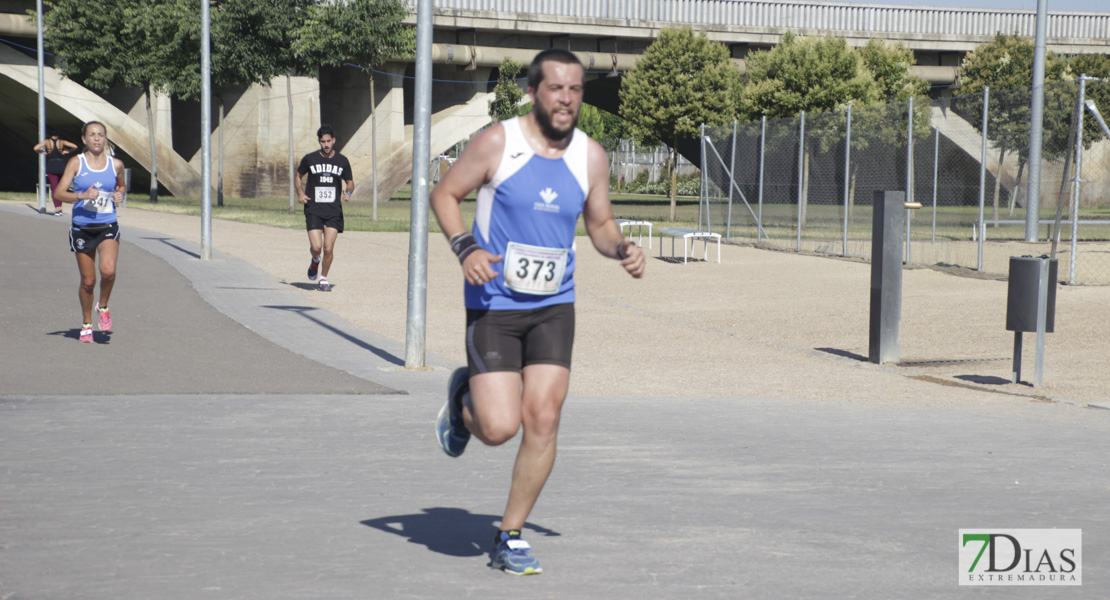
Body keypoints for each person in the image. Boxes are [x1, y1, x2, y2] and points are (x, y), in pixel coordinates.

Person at [429, 48, 645, 575]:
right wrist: (465, 248)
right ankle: (464, 400)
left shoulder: (590, 156)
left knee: (543, 418)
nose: (567, 98)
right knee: (500, 428)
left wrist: (620, 248)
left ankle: (510, 534)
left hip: (554, 304)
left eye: (575, 89)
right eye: (556, 88)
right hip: (495, 304)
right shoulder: (499, 142)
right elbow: (445, 194)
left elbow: (599, 222)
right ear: (533, 91)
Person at [52, 121, 125, 343]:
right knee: (88, 281)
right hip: (82, 228)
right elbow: (59, 193)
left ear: (105, 139)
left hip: (107, 225)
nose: (96, 138)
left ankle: (102, 306)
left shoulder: (116, 164)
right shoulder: (76, 162)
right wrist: (82, 196)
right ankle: (86, 323)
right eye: (92, 135)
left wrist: (120, 194)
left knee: (109, 271)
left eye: (100, 135)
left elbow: (121, 186)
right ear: (84, 139)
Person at [295, 125, 353, 292]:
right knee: (317, 248)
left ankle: (323, 278)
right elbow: (298, 175)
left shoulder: (342, 161)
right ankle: (315, 260)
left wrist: (348, 192)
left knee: (328, 248)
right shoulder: (310, 159)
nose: (326, 145)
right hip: (313, 208)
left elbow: (350, 182)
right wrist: (300, 192)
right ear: (319, 142)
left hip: (334, 210)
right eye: (323, 142)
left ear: (333, 141)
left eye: (329, 141)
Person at [33, 128, 78, 216]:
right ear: (58, 134)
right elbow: (75, 146)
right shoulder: (62, 142)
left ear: (50, 134)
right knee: (61, 188)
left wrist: (41, 152)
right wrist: (67, 151)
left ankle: (57, 209)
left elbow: (35, 148)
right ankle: (60, 209)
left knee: (54, 188)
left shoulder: (47, 142)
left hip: (51, 165)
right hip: (61, 165)